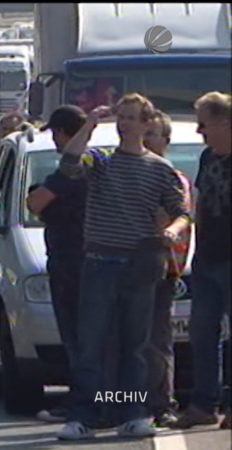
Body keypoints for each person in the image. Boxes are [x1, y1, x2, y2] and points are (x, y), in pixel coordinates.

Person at [55, 94, 191, 441]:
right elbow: (69, 164)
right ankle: (84, 414)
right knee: (92, 344)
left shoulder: (160, 170)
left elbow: (181, 211)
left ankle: (132, 411)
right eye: (122, 117)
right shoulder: (100, 161)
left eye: (132, 118)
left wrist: (171, 232)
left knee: (135, 345)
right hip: (100, 262)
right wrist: (89, 124)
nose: (125, 123)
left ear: (147, 125)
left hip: (140, 263)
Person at [27, 105, 95, 423]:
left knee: (78, 342)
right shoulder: (99, 164)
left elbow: (37, 203)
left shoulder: (71, 172)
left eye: (56, 133)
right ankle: (116, 401)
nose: (54, 139)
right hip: (94, 264)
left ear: (66, 133)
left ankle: (84, 404)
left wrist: (40, 201)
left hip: (72, 266)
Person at [173, 91, 232, 430]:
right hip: (207, 258)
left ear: (225, 122)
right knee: (202, 332)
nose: (200, 132)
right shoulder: (208, 157)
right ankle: (203, 404)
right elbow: (200, 206)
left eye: (204, 124)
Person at [142, 109, 193, 428]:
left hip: (163, 268)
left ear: (166, 141)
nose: (145, 140)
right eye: (142, 133)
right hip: (127, 267)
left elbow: (165, 219)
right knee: (126, 340)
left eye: (152, 135)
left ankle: (162, 404)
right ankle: (124, 402)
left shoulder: (171, 177)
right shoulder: (132, 170)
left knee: (157, 340)